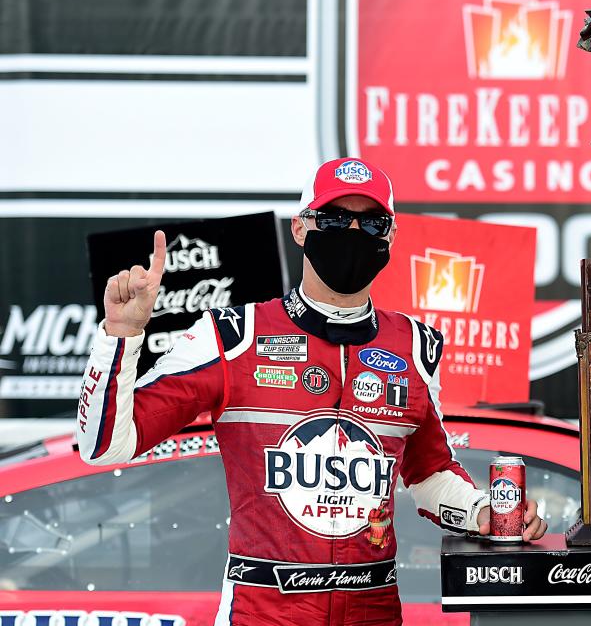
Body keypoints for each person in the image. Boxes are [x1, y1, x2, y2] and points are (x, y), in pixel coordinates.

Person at [76, 157, 547, 625]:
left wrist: (484, 510)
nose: (354, 233)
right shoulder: (232, 335)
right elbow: (104, 446)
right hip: (264, 609)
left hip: (373, 609)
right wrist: (121, 334)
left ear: (391, 237)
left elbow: (428, 475)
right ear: (301, 229)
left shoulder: (416, 346)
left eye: (372, 222)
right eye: (337, 219)